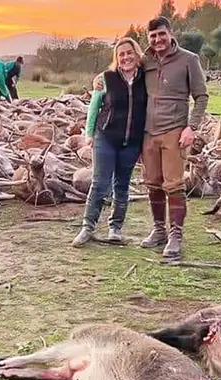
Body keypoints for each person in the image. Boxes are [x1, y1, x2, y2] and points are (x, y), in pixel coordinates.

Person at [94, 16, 208, 259]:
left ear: (170, 33)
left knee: (174, 184)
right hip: (147, 133)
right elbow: (121, 69)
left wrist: (192, 127)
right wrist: (100, 80)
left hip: (174, 131)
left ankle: (176, 235)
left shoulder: (189, 60)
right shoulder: (145, 61)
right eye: (153, 36)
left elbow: (201, 96)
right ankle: (159, 230)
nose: (157, 39)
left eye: (161, 34)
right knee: (153, 183)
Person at [71, 38, 147, 248]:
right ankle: (88, 227)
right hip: (105, 137)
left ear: (136, 53)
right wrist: (89, 134)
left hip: (131, 141)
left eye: (129, 53)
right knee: (99, 183)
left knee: (122, 185)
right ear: (116, 57)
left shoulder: (146, 78)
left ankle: (116, 228)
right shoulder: (106, 78)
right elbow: (94, 107)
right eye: (121, 54)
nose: (126, 57)